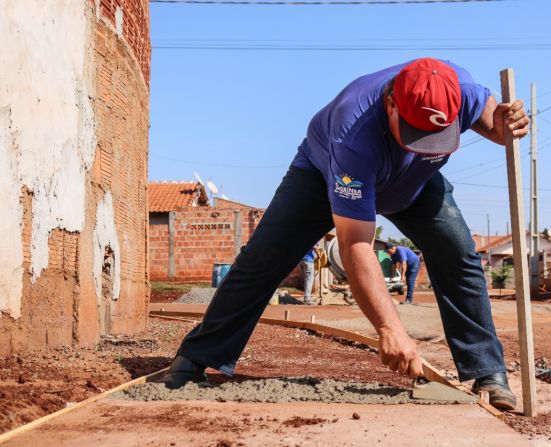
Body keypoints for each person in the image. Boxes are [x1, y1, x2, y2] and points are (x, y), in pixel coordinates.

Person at [159, 57, 529, 411]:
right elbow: (355, 244)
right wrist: (389, 327)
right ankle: (197, 356)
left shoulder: (459, 89)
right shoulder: (352, 133)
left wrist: (506, 124)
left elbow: (497, 130)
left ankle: (488, 372)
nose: (423, 143)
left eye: (436, 135)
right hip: (322, 178)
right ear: (391, 106)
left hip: (414, 185)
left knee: (459, 253)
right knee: (263, 259)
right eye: (416, 133)